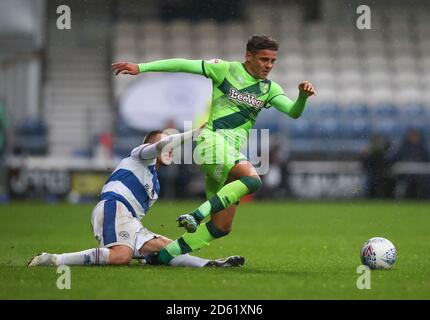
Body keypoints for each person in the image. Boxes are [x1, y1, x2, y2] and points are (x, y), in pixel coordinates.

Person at [111, 34, 316, 265]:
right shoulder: (224, 69)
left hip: (228, 155)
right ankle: (196, 215)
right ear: (248, 56)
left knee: (221, 226)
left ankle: (162, 257)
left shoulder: (269, 89)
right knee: (254, 180)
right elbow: (183, 64)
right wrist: (142, 67)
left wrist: (301, 97)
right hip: (210, 142)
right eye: (263, 59)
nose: (268, 66)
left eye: (272, 61)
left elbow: (293, 112)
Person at [28, 127, 244, 268]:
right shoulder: (139, 156)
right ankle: (54, 260)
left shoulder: (155, 184)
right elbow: (158, 147)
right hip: (114, 206)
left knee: (170, 249)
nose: (170, 149)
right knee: (121, 257)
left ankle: (212, 264)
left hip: (131, 220)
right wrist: (192, 134)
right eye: (166, 144)